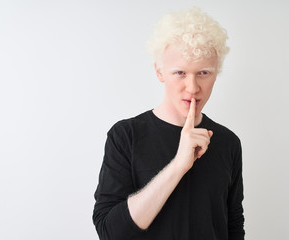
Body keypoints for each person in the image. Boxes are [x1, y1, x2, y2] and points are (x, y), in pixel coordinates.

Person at [93, 6, 245, 240]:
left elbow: (233, 225)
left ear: (216, 73)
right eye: (180, 73)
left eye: (203, 73)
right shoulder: (126, 136)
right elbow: (110, 233)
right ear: (159, 72)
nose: (193, 88)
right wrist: (177, 166)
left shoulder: (228, 142)